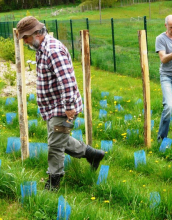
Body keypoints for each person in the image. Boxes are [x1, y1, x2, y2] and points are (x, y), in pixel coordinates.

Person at [16, 16, 105, 191]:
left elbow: (67, 81)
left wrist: (69, 106)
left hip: (62, 108)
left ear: (36, 33)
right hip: (53, 107)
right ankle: (93, 155)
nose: (25, 41)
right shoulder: (41, 48)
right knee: (60, 140)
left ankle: (53, 183)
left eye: (25, 37)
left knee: (55, 146)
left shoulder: (53, 50)